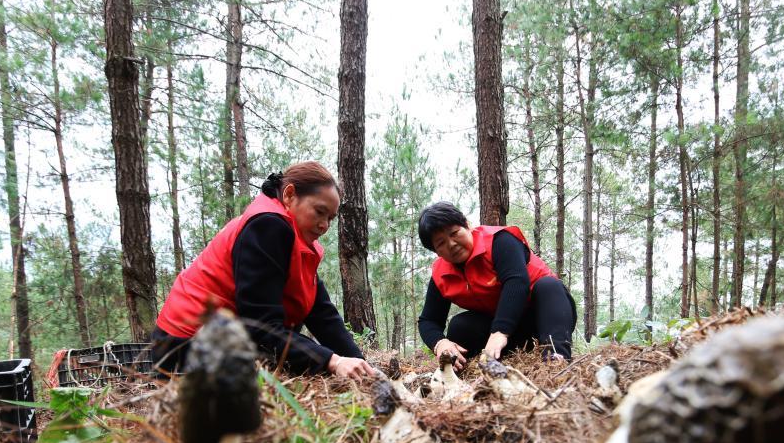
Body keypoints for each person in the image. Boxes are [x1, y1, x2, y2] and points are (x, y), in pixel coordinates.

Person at [152, 161, 376, 379]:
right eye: (319, 211)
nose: (324, 225)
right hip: (184, 348)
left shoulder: (297, 244)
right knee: (304, 367)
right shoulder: (268, 227)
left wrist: (360, 364)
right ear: (289, 195)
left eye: (330, 218)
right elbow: (260, 327)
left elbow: (322, 314)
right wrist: (333, 361)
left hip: (215, 342)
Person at [416, 201, 576, 370]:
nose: (451, 244)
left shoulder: (499, 241)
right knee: (459, 326)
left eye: (455, 233)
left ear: (467, 225)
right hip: (511, 337)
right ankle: (485, 367)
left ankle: (556, 360)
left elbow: (517, 282)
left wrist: (500, 331)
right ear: (436, 251)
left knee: (548, 286)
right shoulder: (441, 274)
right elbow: (428, 320)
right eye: (441, 243)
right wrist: (440, 344)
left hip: (545, 320)